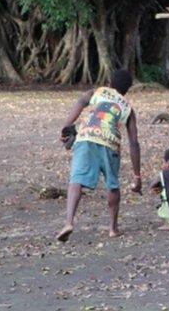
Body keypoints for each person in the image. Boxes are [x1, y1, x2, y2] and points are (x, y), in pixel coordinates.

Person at [56, 69, 141, 242]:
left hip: (86, 137)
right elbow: (134, 144)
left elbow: (80, 102)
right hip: (110, 144)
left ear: (110, 82)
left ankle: (68, 222)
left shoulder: (96, 92)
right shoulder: (128, 108)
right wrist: (137, 175)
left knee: (76, 180)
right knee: (112, 185)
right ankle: (112, 228)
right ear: (127, 89)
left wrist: (66, 126)